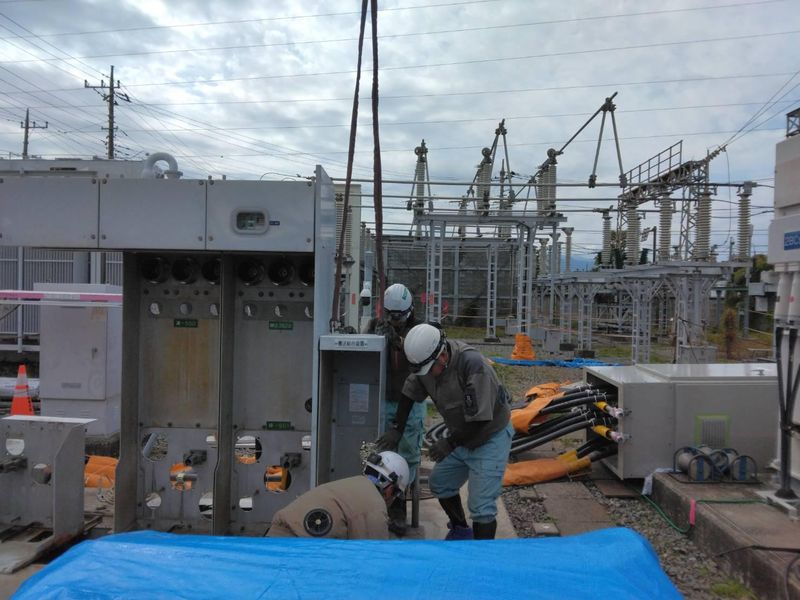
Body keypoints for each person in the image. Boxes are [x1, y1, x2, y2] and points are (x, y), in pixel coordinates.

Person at [376, 323, 512, 540]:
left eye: (430, 369)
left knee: (481, 506)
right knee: (440, 483)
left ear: (442, 356)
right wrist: (397, 429)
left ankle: (481, 556)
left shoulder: (472, 365)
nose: (428, 375)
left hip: (490, 437)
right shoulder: (426, 362)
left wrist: (449, 443)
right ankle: (461, 530)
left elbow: (481, 419)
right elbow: (410, 392)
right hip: (462, 436)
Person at [363, 283, 426, 536]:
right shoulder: (375, 325)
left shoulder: (420, 331)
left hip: (410, 402)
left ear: (409, 311)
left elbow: (419, 357)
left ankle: (399, 508)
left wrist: (398, 342)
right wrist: (372, 337)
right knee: (378, 453)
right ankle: (375, 505)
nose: (396, 321)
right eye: (392, 316)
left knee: (407, 455)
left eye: (400, 317)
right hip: (382, 398)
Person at [266, 451, 409, 539]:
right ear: (390, 490)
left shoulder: (351, 484)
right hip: (292, 553)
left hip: (272, 540)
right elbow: (372, 558)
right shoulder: (374, 507)